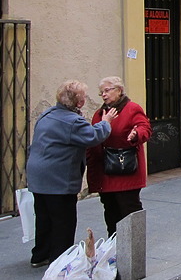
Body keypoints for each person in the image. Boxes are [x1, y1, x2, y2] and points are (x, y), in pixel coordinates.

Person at [27, 81, 118, 267]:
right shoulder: (72, 122)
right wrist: (106, 122)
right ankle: (60, 260)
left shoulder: (47, 114)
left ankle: (40, 255)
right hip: (58, 179)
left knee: (44, 217)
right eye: (83, 97)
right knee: (63, 221)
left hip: (37, 176)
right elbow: (93, 136)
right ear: (78, 103)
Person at [87, 76, 152, 236]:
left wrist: (136, 134)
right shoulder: (100, 113)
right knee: (110, 211)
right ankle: (114, 244)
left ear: (119, 90)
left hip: (125, 169)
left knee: (129, 208)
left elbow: (145, 127)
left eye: (107, 90)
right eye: (101, 92)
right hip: (106, 170)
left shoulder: (132, 109)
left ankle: (134, 245)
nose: (104, 95)